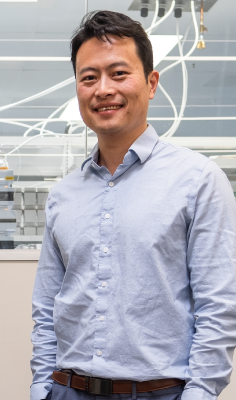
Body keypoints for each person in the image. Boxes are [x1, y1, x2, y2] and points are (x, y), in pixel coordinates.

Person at [30, 11, 236, 400]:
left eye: (119, 73)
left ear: (152, 82)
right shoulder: (63, 194)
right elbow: (47, 306)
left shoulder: (198, 180)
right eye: (89, 78)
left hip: (161, 393)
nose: (103, 89)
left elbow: (219, 307)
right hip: (67, 390)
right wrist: (42, 387)